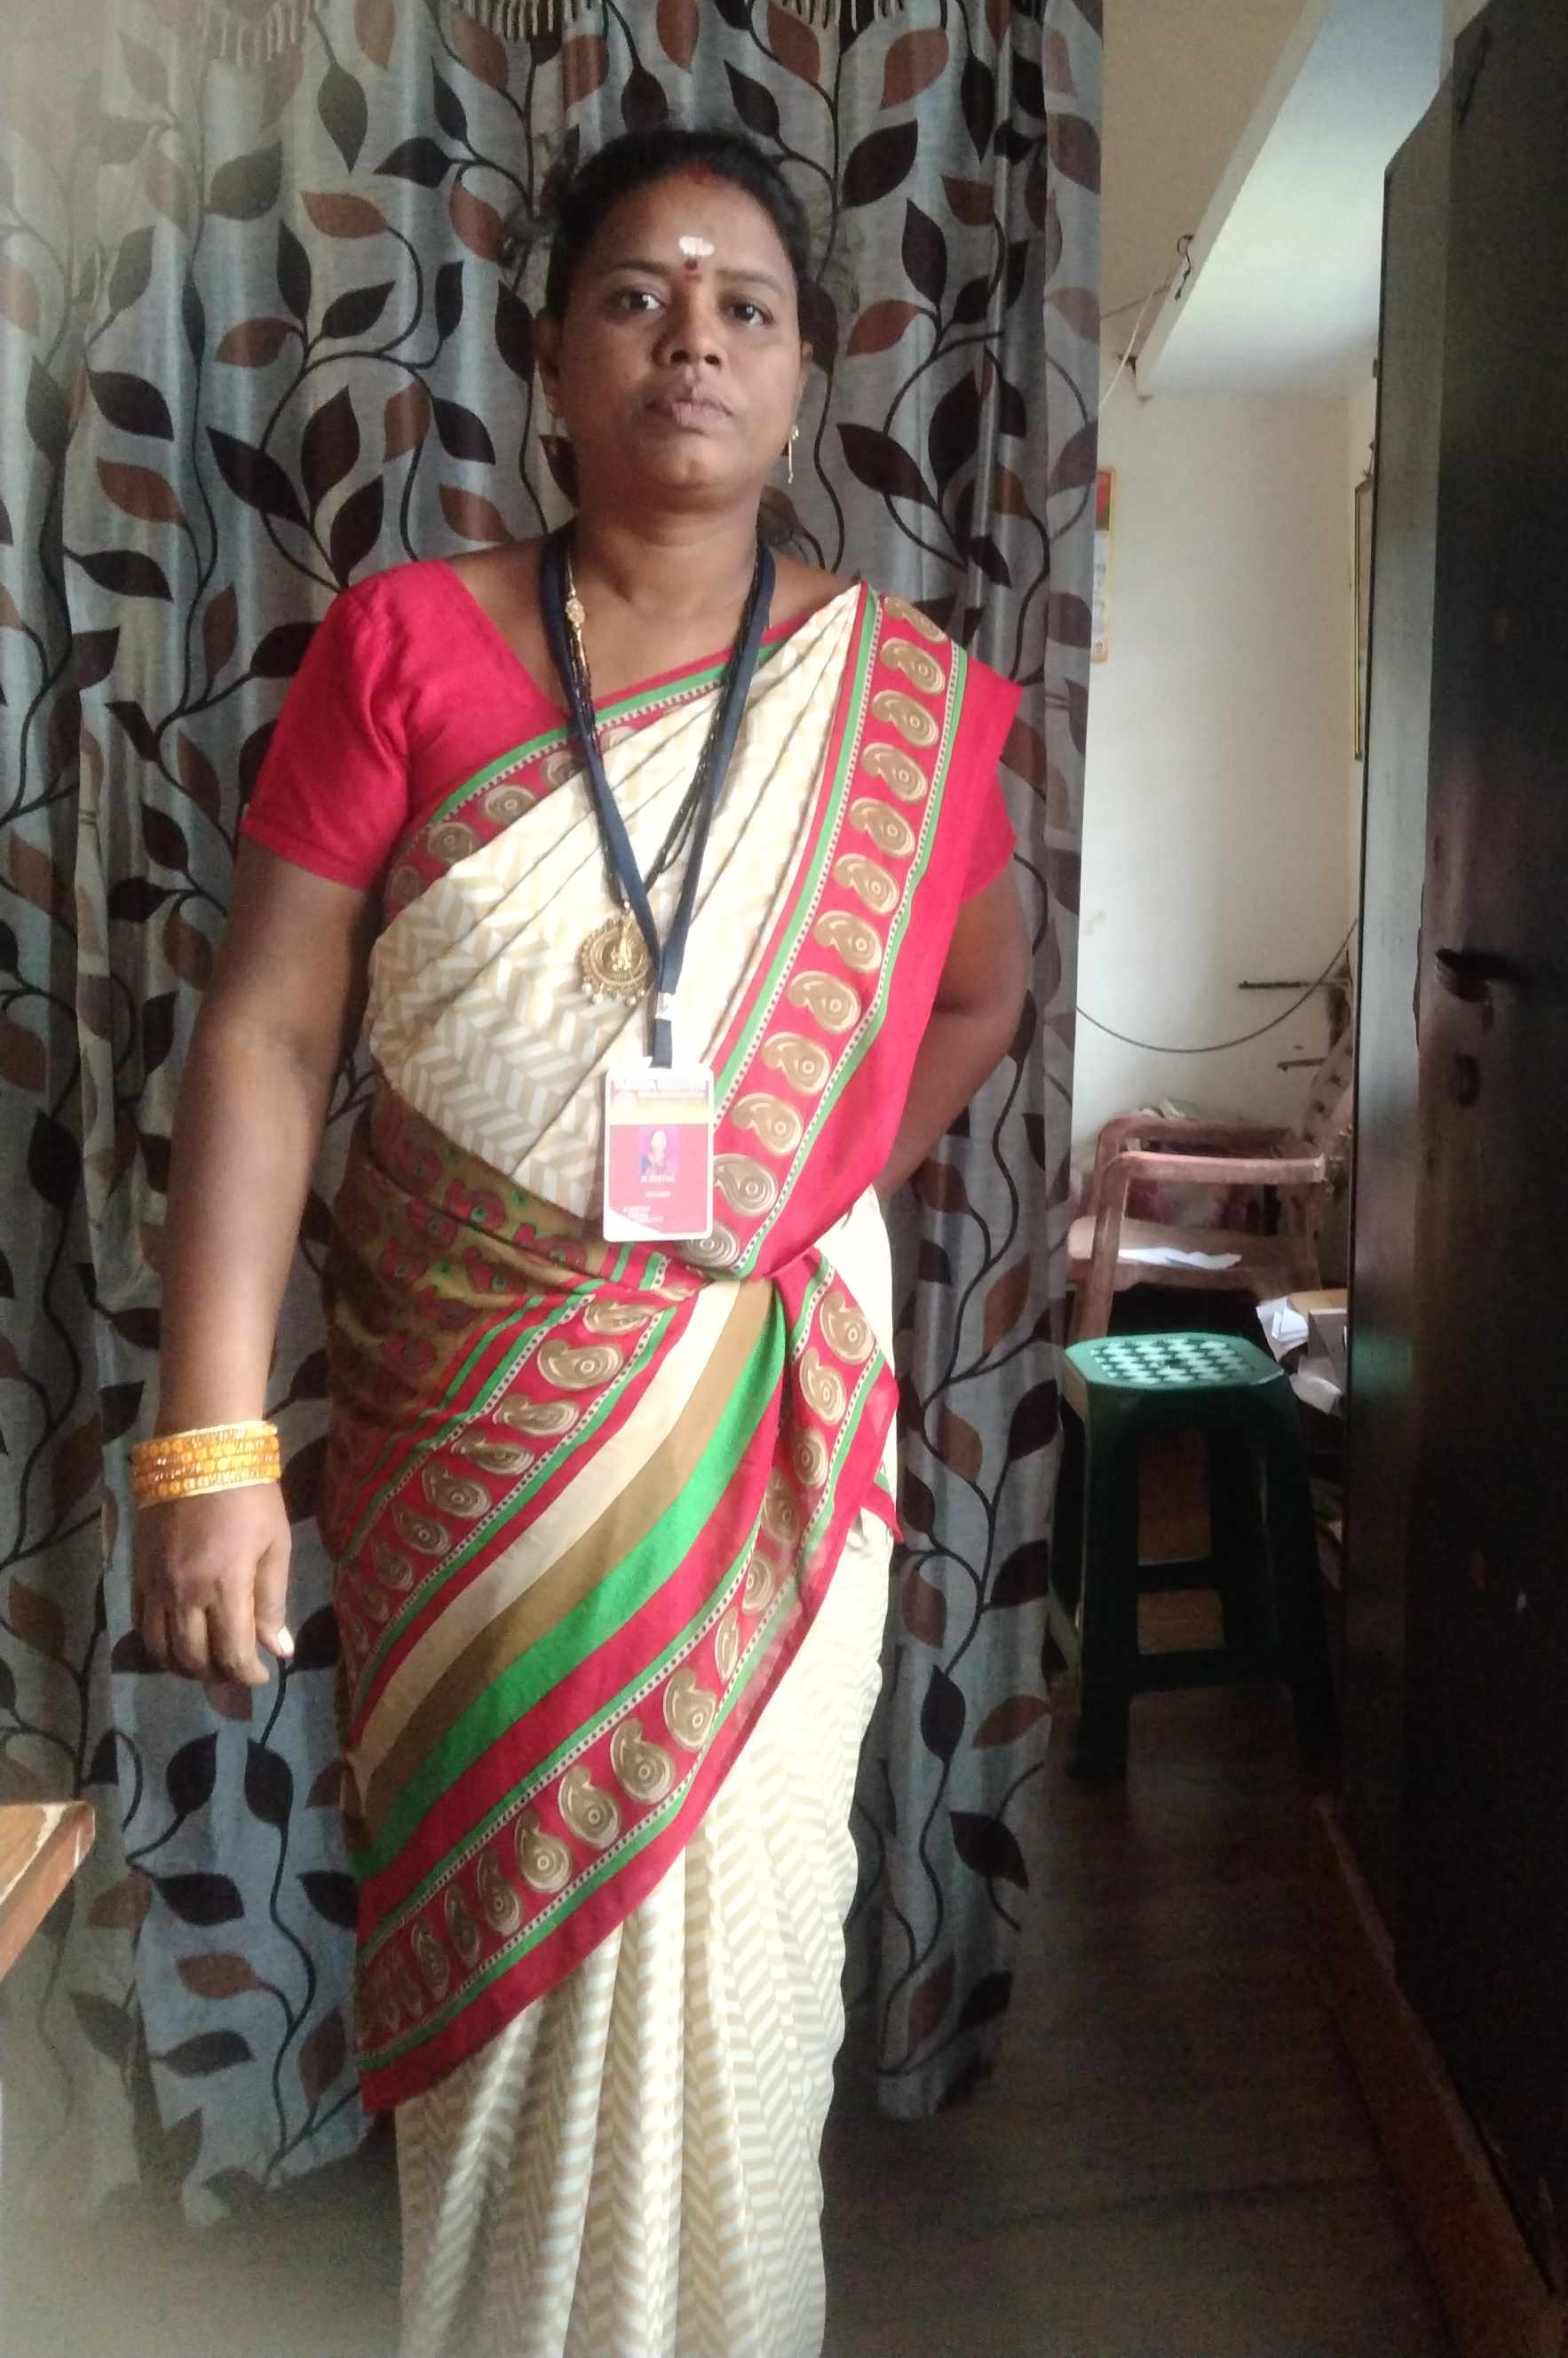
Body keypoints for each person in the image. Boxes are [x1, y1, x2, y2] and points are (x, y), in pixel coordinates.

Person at [129, 124, 1028, 2358]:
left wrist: (798, 1199)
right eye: (636, 295)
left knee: (741, 1961)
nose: (690, 338)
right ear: (548, 359)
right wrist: (209, 1449)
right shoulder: (406, 644)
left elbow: (983, 1001)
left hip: (764, 1426)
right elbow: (264, 1034)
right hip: (466, 1425)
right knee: (506, 1947)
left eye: (745, 303)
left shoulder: (905, 702)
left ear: (804, 377)